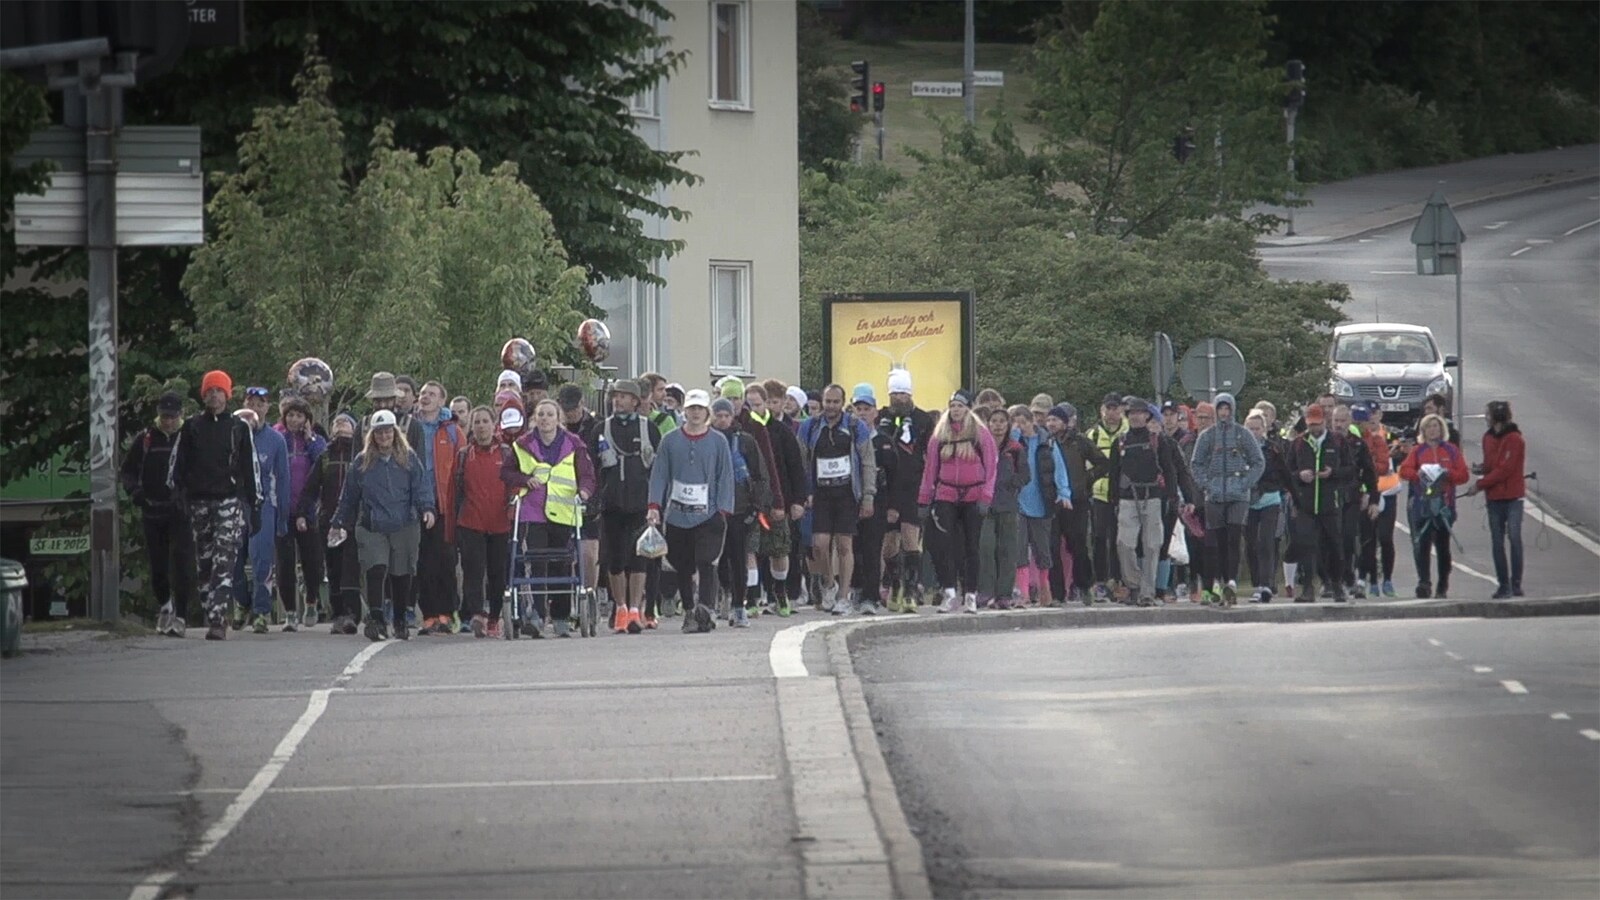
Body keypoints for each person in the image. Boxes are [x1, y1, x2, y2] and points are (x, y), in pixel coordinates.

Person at [169, 371, 260, 641]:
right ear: (203, 395)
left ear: (227, 395)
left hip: (228, 499)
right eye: (210, 391)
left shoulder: (238, 428)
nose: (214, 396)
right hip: (198, 501)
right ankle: (211, 610)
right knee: (205, 561)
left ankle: (218, 618)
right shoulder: (192, 427)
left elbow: (249, 468)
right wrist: (180, 496)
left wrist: (254, 503)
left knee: (225, 556)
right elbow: (178, 467)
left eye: (219, 391)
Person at [329, 410, 435, 641]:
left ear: (395, 432)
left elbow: (421, 486)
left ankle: (399, 619)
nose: (384, 436)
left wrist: (427, 508)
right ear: (372, 435)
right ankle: (376, 619)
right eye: (379, 432)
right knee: (376, 569)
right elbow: (348, 497)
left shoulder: (408, 458)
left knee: (401, 572)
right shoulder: (361, 462)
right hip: (372, 524)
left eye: (388, 431)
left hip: (404, 522)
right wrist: (338, 522)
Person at [504, 398, 596, 638]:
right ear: (535, 418)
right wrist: (524, 480)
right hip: (533, 512)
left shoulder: (575, 444)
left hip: (564, 512)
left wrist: (584, 492)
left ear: (558, 419)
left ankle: (561, 617)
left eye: (549, 414)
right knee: (536, 564)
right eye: (540, 415)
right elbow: (506, 472)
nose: (545, 419)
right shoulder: (522, 444)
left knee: (562, 564)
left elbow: (586, 475)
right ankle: (536, 615)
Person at [647, 389, 735, 633]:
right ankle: (689, 610)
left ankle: (705, 608)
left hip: (709, 514)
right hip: (677, 514)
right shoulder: (670, 441)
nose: (695, 413)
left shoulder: (718, 441)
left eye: (700, 409)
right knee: (681, 564)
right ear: (684, 411)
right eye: (691, 409)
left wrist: (724, 509)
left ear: (707, 413)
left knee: (706, 560)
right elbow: (660, 474)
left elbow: (725, 475)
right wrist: (654, 505)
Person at [799, 383, 879, 615]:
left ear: (843, 404)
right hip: (821, 494)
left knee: (845, 545)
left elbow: (867, 463)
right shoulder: (810, 427)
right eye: (828, 402)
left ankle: (844, 596)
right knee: (819, 545)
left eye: (835, 402)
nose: (831, 406)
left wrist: (868, 497)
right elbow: (801, 461)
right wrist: (805, 492)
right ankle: (829, 584)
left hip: (847, 494)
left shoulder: (856, 427)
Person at [122, 391, 197, 636]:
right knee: (158, 565)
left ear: (180, 415)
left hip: (180, 510)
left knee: (183, 562)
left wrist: (185, 494)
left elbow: (197, 470)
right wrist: (136, 493)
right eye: (164, 416)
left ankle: (182, 615)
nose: (168, 421)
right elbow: (128, 471)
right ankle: (165, 604)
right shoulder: (146, 439)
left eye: (172, 417)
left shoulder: (188, 438)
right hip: (152, 509)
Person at [919, 390, 998, 614]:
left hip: (973, 496)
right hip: (946, 495)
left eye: (960, 406)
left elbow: (991, 467)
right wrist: (924, 499)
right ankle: (949, 592)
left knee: (971, 546)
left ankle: (970, 594)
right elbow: (930, 469)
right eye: (953, 406)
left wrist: (986, 496)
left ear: (968, 408)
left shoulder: (980, 434)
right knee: (945, 545)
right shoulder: (940, 434)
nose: (956, 410)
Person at [1106, 398, 1187, 605]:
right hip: (1127, 498)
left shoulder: (1158, 441)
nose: (1135, 416)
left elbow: (1169, 470)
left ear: (1147, 416)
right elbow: (1114, 472)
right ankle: (1134, 583)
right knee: (1124, 544)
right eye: (1131, 413)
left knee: (1152, 546)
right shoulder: (1121, 442)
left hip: (1152, 497)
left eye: (1140, 412)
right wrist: (1112, 498)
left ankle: (1147, 593)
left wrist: (1171, 496)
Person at [597, 380, 662, 631]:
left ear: (636, 401)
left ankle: (636, 609)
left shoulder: (649, 429)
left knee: (639, 558)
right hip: (611, 503)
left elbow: (659, 468)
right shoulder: (602, 428)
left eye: (624, 397)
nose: (618, 401)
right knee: (614, 560)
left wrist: (656, 503)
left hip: (640, 503)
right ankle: (620, 608)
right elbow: (594, 465)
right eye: (616, 397)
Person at [1189, 393, 1265, 605]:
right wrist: (1207, 484)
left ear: (1232, 410)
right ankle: (1219, 581)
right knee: (1216, 541)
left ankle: (1231, 581)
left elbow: (1258, 461)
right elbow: (1196, 463)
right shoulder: (1208, 436)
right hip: (1214, 496)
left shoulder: (1243, 434)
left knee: (1234, 537)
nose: (1224, 413)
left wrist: (1244, 483)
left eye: (1227, 409)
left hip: (1238, 495)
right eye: (1220, 409)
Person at [876, 370, 935, 610]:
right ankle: (895, 583)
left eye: (902, 393)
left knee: (911, 538)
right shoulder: (881, 417)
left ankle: (911, 589)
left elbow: (930, 455)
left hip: (912, 485)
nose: (898, 398)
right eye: (894, 393)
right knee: (889, 543)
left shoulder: (923, 420)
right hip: (887, 487)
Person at [1285, 403, 1356, 602]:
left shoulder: (1338, 442)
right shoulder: (1299, 443)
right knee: (1307, 545)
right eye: (1310, 424)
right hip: (1306, 504)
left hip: (1330, 503)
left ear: (1324, 421)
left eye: (1317, 424)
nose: (1314, 429)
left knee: (1334, 545)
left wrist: (1332, 474)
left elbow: (1350, 470)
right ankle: (1308, 588)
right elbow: (1287, 472)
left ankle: (1336, 585)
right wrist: (1300, 475)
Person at [744, 381, 803, 617]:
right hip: (749, 501)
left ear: (766, 403)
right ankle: (751, 598)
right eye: (749, 404)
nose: (753, 409)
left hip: (778, 501)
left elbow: (796, 467)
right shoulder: (743, 429)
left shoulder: (781, 431)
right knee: (749, 550)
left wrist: (796, 500)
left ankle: (780, 592)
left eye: (757, 404)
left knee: (779, 550)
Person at [455, 406, 514, 637]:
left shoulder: (506, 453)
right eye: (476, 422)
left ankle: (495, 617)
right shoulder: (463, 455)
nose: (481, 426)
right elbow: (458, 489)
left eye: (485, 421)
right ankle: (477, 614)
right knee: (473, 570)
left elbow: (513, 483)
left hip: (500, 522)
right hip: (471, 522)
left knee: (498, 572)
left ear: (494, 424)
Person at [711, 398, 770, 627]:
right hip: (713, 511)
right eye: (718, 415)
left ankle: (739, 605)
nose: (722, 420)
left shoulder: (745, 441)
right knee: (716, 560)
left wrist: (757, 508)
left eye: (726, 415)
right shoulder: (708, 441)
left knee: (739, 559)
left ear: (732, 417)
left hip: (740, 510)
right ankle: (720, 596)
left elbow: (760, 475)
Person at [410, 381, 463, 634]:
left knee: (445, 559)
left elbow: (463, 466)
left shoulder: (452, 430)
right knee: (422, 562)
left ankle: (447, 613)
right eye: (422, 394)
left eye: (432, 394)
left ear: (442, 401)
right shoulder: (409, 427)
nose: (425, 398)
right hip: (417, 505)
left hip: (444, 505)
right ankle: (429, 615)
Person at [231, 405, 289, 633]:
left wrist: (283, 516)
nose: (255, 406)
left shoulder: (276, 440)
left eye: (260, 402)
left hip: (264, 504)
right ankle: (241, 603)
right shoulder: (232, 434)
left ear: (267, 408)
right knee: (233, 557)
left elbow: (282, 478)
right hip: (236, 503)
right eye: (250, 401)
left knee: (261, 559)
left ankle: (262, 611)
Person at [1399, 413, 1470, 598]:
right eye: (1429, 427)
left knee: (1442, 546)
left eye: (1436, 426)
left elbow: (1463, 475)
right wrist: (1420, 475)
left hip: (1445, 506)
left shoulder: (1452, 450)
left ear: (1441, 429)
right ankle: (1424, 582)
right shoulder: (1417, 451)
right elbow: (1405, 470)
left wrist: (1446, 474)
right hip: (1422, 506)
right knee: (1422, 545)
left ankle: (1442, 585)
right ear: (1423, 431)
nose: (1433, 430)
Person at [274, 395, 327, 631]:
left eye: (299, 415)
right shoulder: (279, 439)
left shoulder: (314, 441)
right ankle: (289, 613)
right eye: (291, 415)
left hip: (309, 510)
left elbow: (323, 463)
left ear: (307, 419)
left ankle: (311, 601)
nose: (294, 419)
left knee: (313, 563)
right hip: (283, 510)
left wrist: (310, 439)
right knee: (284, 564)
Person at [1009, 403, 1070, 607]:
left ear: (1032, 421)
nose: (1020, 427)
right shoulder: (1013, 444)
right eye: (1016, 423)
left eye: (1023, 422)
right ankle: (1023, 593)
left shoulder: (1047, 442)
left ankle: (1045, 590)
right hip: (1018, 503)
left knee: (1043, 549)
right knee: (1019, 549)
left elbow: (1059, 468)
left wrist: (1064, 492)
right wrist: (1015, 439)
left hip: (1042, 501)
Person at [1465, 401, 1525, 598]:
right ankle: (1503, 583)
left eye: (1488, 414)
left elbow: (1505, 469)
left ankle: (1515, 582)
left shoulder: (1515, 439)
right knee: (1497, 541)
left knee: (1514, 537)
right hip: (1494, 497)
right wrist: (1480, 469)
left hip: (1512, 496)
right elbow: (1492, 466)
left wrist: (1480, 484)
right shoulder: (1488, 438)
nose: (1486, 418)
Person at [1045, 403, 1103, 602]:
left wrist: (1086, 479)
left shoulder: (1080, 442)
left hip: (1077, 501)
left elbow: (1103, 462)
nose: (1051, 423)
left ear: (1065, 422)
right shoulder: (1046, 442)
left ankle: (1085, 585)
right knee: (1052, 547)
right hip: (1053, 501)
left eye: (1055, 419)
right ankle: (1058, 594)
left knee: (1078, 545)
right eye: (1049, 420)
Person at [557, 384, 604, 618]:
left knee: (588, 553)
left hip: (589, 496)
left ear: (582, 404)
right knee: (565, 554)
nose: (569, 414)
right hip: (560, 498)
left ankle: (589, 596)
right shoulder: (554, 428)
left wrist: (596, 496)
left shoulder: (596, 426)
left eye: (573, 409)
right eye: (565, 409)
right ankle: (566, 603)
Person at [851, 384, 897, 613]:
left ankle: (871, 595)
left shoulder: (884, 441)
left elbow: (895, 476)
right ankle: (855, 589)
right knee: (852, 547)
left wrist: (893, 506)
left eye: (866, 408)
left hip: (877, 500)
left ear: (875, 412)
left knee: (872, 549)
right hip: (850, 498)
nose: (862, 412)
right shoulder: (847, 438)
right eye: (858, 407)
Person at [318, 413, 363, 634]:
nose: (340, 425)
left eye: (346, 422)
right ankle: (337, 614)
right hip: (329, 521)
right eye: (337, 423)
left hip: (354, 521)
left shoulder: (360, 455)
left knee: (350, 568)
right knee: (333, 568)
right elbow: (311, 487)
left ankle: (352, 613)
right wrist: (301, 512)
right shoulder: (325, 456)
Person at [1331, 403, 1378, 599]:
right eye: (1336, 421)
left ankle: (1351, 576)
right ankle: (1341, 578)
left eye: (1343, 421)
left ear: (1349, 422)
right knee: (1334, 541)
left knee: (1349, 538)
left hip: (1351, 498)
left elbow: (1369, 473)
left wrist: (1373, 498)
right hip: (1329, 499)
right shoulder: (1325, 442)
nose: (1339, 425)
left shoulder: (1358, 444)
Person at [1354, 403, 1401, 598]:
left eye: (1373, 415)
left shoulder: (1388, 435)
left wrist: (1369, 465)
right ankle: (1372, 580)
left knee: (1385, 538)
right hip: (1366, 494)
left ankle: (1387, 579)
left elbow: (1383, 466)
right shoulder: (1353, 440)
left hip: (1387, 491)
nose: (1370, 420)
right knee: (1368, 539)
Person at [1085, 392, 1127, 600]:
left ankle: (1118, 580)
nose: (1111, 413)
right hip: (1099, 494)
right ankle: (1100, 581)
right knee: (1099, 539)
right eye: (1108, 408)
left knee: (1121, 540)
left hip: (1123, 494)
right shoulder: (1092, 434)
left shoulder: (1128, 432)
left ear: (1121, 410)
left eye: (1115, 408)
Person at [1243, 411, 1288, 602]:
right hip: (1248, 502)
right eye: (1250, 429)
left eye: (1257, 428)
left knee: (1266, 542)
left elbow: (1284, 473)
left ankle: (1266, 585)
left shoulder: (1273, 449)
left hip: (1270, 499)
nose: (1254, 432)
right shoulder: (1240, 450)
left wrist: (1290, 492)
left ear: (1264, 429)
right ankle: (1256, 583)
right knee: (1251, 545)